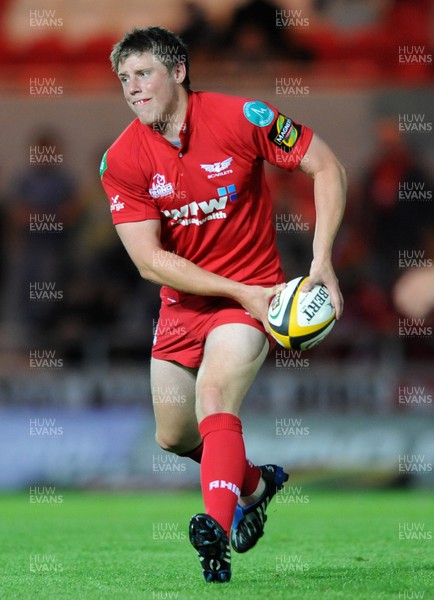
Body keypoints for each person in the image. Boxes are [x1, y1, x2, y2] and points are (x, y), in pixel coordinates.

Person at [101, 26, 346, 583]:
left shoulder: (244, 117)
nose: (133, 88)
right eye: (124, 79)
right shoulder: (122, 159)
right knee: (174, 436)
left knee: (214, 396)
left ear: (179, 71)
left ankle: (216, 526)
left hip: (255, 296)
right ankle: (255, 485)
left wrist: (322, 260)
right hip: (191, 304)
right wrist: (238, 292)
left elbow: (326, 166)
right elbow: (148, 260)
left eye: (144, 74)